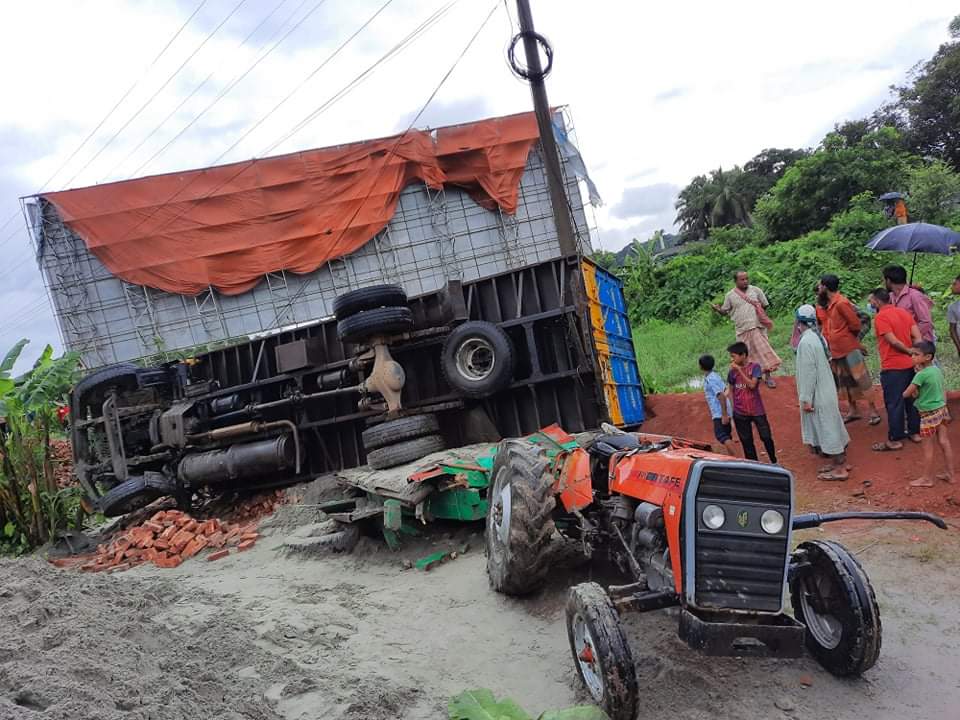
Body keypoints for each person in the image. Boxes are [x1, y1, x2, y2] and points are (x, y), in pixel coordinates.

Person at [815, 274, 882, 425]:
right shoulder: (821, 305)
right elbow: (821, 325)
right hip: (833, 350)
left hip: (849, 348)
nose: (818, 288)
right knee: (843, 381)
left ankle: (873, 410)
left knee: (861, 379)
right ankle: (853, 410)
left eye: (820, 285)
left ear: (825, 287)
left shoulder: (842, 303)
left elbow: (856, 324)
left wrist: (852, 339)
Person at [794, 304, 850, 480]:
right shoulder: (819, 338)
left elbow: (808, 373)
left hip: (818, 394)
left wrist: (806, 398)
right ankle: (838, 462)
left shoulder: (805, 343)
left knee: (827, 428)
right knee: (832, 425)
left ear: (799, 322)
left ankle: (840, 469)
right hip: (826, 390)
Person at [869, 288, 922, 452]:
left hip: (892, 367)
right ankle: (915, 432)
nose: (870, 304)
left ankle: (896, 439)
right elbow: (918, 336)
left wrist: (908, 351)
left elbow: (892, 341)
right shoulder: (904, 313)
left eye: (871, 301)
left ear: (878, 302)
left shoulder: (880, 317)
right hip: (910, 365)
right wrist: (916, 356)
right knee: (912, 400)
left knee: (894, 403)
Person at [711, 270, 781, 388]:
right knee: (744, 356)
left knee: (763, 352)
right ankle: (751, 378)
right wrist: (718, 310)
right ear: (736, 281)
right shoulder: (730, 295)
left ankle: (768, 377)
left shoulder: (755, 290)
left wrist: (759, 315)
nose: (745, 281)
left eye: (746, 279)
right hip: (742, 329)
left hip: (757, 327)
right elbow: (725, 311)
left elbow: (764, 305)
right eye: (742, 279)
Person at [904, 341, 954, 487]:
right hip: (941, 410)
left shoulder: (920, 376)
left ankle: (926, 478)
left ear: (927, 357)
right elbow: (941, 389)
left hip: (928, 415)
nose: (912, 356)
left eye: (916, 354)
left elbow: (907, 394)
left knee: (928, 447)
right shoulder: (936, 370)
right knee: (944, 442)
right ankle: (951, 475)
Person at [726, 341, 777, 463]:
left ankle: (774, 461)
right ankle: (755, 465)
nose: (731, 359)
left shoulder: (755, 367)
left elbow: (752, 385)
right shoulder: (731, 372)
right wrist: (731, 411)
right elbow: (730, 391)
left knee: (766, 437)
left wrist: (739, 370)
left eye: (733, 356)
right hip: (740, 412)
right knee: (746, 441)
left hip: (757, 410)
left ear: (743, 355)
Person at [883, 265, 935, 343]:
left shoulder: (915, 296)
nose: (883, 283)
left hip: (921, 343)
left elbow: (926, 322)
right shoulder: (891, 297)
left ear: (888, 281)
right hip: (903, 342)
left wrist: (911, 337)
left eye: (884, 280)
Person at [699, 354, 736, 456]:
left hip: (719, 412)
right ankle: (733, 458)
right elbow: (725, 391)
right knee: (727, 435)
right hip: (724, 409)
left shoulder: (710, 379)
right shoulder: (715, 375)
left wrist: (724, 414)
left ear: (700, 366)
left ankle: (737, 459)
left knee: (721, 435)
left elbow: (721, 396)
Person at [946, 275, 960, 358]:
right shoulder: (953, 307)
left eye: (955, 284)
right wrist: (959, 348)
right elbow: (952, 329)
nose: (951, 287)